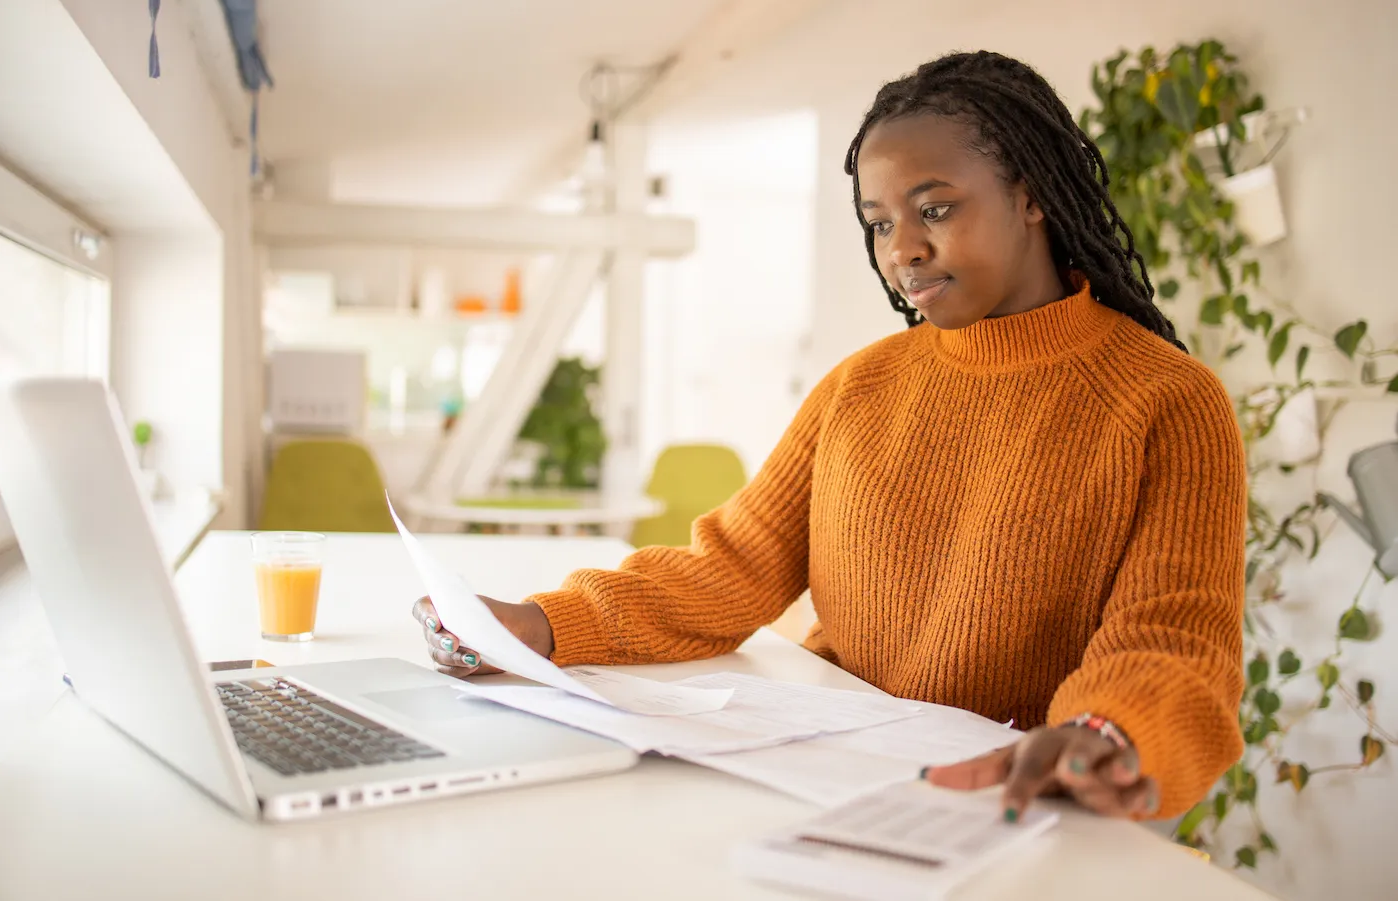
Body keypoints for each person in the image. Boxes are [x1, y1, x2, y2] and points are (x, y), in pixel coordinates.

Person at [413, 51, 1246, 824]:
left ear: (1031, 195)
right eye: (879, 223)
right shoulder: (861, 386)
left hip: (1014, 809)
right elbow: (729, 569)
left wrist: (1108, 730)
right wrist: (540, 626)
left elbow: (1173, 637)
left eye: (935, 209)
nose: (903, 251)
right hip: (818, 784)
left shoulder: (1166, 401)